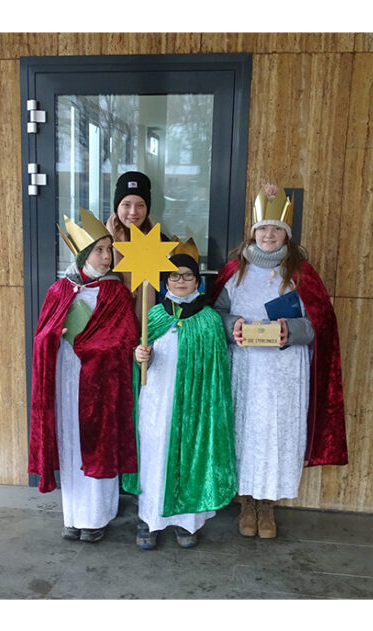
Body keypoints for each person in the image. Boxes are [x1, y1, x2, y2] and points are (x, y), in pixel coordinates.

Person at [210, 185, 348, 539]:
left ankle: (268, 506)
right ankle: (247, 503)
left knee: (274, 434)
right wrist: (232, 326)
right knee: (245, 431)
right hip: (244, 369)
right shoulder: (234, 271)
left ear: (286, 234)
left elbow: (321, 322)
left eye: (276, 229)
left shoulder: (300, 273)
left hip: (285, 371)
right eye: (262, 229)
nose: (268, 235)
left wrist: (292, 330)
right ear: (252, 233)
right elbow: (216, 314)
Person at [28, 208, 138, 543]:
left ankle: (97, 516)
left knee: (97, 443)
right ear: (82, 256)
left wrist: (91, 345)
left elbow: (126, 338)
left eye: (109, 250)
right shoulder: (59, 290)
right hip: (66, 379)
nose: (107, 257)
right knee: (71, 440)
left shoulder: (116, 292)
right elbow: (40, 337)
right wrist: (54, 335)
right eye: (99, 251)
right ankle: (73, 516)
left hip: (101, 384)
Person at [123, 241, 237, 550]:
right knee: (154, 456)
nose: (181, 281)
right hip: (155, 404)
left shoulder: (210, 320)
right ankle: (149, 519)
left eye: (188, 276)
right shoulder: (155, 316)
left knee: (188, 456)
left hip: (193, 406)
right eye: (174, 276)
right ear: (165, 281)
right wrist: (139, 356)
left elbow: (216, 373)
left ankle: (187, 523)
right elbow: (135, 363)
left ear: (198, 281)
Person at [106, 171, 158, 320]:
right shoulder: (100, 239)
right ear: (117, 207)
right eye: (126, 205)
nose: (133, 212)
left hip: (149, 328)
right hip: (110, 323)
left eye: (140, 205)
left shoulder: (159, 240)